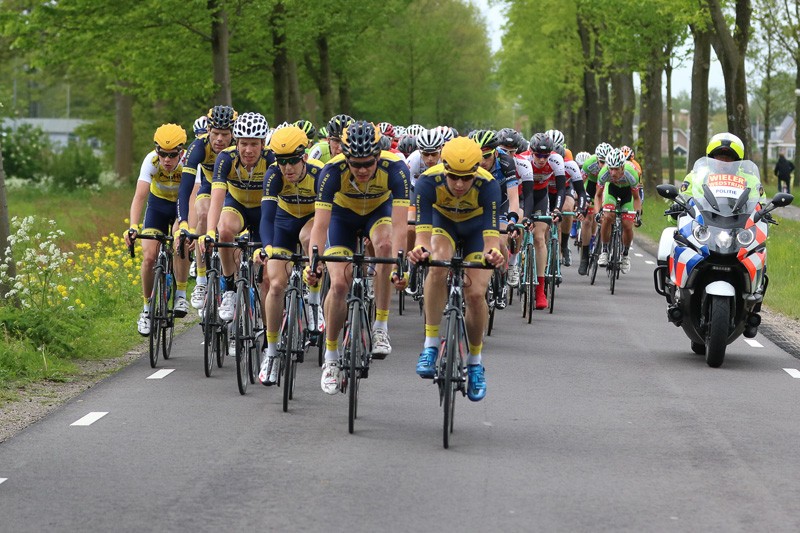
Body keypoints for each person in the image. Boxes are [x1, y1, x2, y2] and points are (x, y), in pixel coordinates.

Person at [305, 120, 410, 394]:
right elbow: (320, 225)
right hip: (342, 217)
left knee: (386, 247)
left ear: (378, 156)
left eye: (368, 163)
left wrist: (402, 264)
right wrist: (313, 262)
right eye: (356, 164)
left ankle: (380, 326)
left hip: (378, 212)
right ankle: (330, 358)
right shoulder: (331, 171)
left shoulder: (396, 169)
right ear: (346, 158)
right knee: (339, 284)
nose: (362, 170)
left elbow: (400, 226)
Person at [409, 136, 504, 402]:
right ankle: (430, 345)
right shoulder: (428, 181)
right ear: (444, 167)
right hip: (444, 225)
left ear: (476, 171)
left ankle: (475, 362)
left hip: (476, 230)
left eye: (466, 178)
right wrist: (420, 251)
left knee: (475, 293)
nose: (460, 184)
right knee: (437, 262)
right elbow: (422, 237)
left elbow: (491, 241)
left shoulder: (488, 184)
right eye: (453, 177)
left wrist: (494, 254)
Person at [256, 126, 324, 385]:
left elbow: (324, 222)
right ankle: (271, 352)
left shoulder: (318, 174)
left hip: (311, 220)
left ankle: (314, 302)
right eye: (281, 161)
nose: (287, 168)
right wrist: (268, 247)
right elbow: (267, 216)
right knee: (275, 285)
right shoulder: (273, 175)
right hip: (283, 224)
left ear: (304, 157)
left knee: (310, 240)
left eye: (292, 161)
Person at [199, 112, 274, 330]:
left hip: (263, 211)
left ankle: (270, 338)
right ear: (236, 142)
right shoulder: (226, 158)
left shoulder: (271, 160)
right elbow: (216, 198)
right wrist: (209, 231)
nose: (248, 150)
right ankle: (230, 287)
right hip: (237, 205)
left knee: (267, 279)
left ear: (262, 144)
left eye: (253, 144)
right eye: (243, 144)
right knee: (224, 231)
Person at [124, 124, 190, 335]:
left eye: (172, 155)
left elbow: (195, 196)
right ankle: (146, 309)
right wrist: (133, 226)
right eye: (163, 154)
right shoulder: (150, 161)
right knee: (149, 257)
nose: (167, 160)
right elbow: (139, 197)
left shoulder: (189, 162)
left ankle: (180, 294)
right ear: (157, 151)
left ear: (181, 152)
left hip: (182, 205)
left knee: (180, 241)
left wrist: (187, 225)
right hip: (158, 206)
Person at [177, 105, 237, 310]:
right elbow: (184, 188)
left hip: (236, 192)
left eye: (225, 134)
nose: (219, 139)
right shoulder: (199, 147)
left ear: (233, 134)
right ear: (208, 131)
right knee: (202, 212)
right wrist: (184, 222)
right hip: (210, 187)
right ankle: (201, 280)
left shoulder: (242, 146)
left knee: (231, 231)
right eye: (215, 133)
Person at [596, 148, 639, 274]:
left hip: (627, 194)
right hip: (612, 191)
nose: (613, 173)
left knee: (627, 224)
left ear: (622, 167)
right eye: (611, 168)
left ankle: (625, 255)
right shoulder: (604, 173)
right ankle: (604, 251)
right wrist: (598, 211)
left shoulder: (631, 174)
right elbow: (598, 195)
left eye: (616, 169)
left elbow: (636, 198)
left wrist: (637, 214)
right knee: (608, 216)